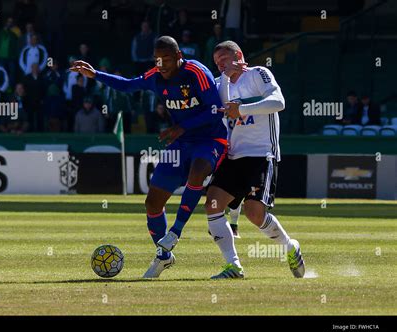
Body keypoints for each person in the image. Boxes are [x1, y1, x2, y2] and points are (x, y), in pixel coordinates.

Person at [70, 36, 227, 278]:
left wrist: (183, 127)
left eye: (166, 59)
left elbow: (216, 110)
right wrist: (96, 75)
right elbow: (127, 85)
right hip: (181, 142)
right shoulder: (155, 76)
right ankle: (163, 257)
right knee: (153, 203)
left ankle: (175, 231)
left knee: (198, 171)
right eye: (157, 59)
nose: (161, 64)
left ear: (178, 57)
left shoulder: (196, 71)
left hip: (210, 139)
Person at [204, 40, 305, 279]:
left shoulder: (259, 73)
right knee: (213, 205)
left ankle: (290, 247)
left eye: (225, 59)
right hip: (232, 155)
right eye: (217, 62)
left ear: (238, 55)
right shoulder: (220, 84)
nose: (221, 65)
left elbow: (278, 103)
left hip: (261, 153)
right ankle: (234, 266)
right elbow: (216, 110)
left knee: (254, 213)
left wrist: (242, 109)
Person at [23, 63, 45, 131]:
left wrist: (42, 99)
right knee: (30, 117)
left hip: (39, 101)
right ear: (31, 68)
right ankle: (30, 130)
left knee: (40, 117)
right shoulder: (27, 78)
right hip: (29, 101)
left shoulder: (42, 78)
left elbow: (44, 89)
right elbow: (25, 89)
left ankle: (40, 131)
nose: (35, 69)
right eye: (34, 67)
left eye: (36, 67)